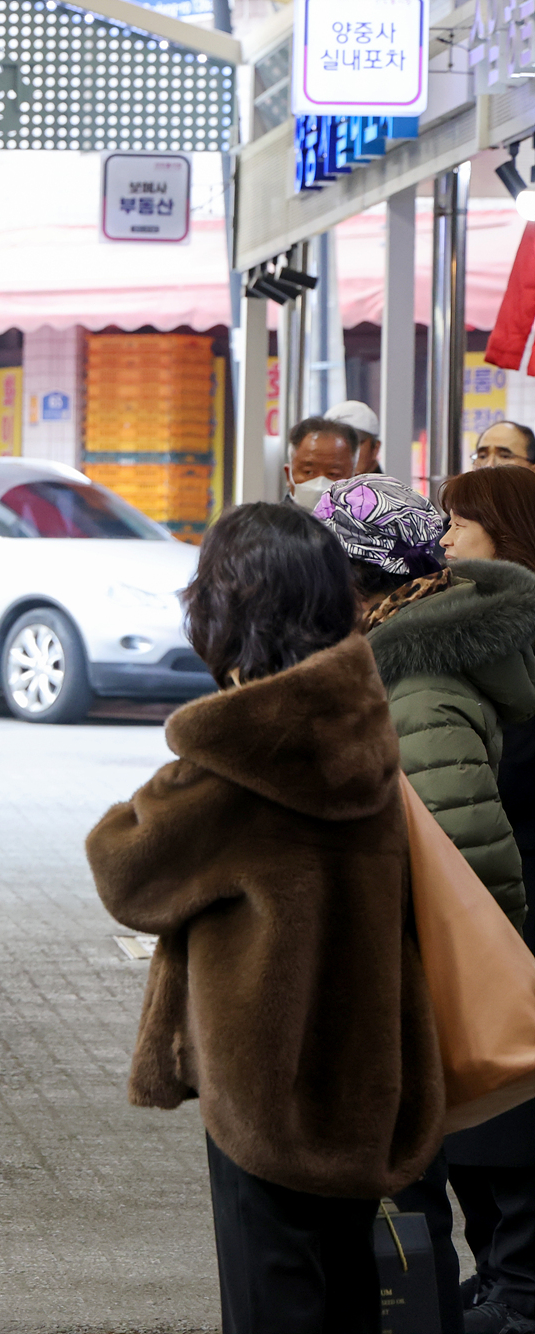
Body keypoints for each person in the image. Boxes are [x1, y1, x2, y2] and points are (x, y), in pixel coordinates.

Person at [88, 501, 443, 1334]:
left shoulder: (239, 753)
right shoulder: (364, 715)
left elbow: (124, 868)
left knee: (272, 1297)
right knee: (348, 1287)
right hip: (366, 1069)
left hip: (261, 1076)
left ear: (230, 605)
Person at [315, 472, 535, 1334]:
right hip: (460, 966)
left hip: (449, 968)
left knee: (460, 1173)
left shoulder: (416, 683)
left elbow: (466, 856)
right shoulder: (405, 656)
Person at [430, 465, 535, 1334]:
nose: (446, 537)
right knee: (484, 1108)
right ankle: (500, 1273)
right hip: (492, 899)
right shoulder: (468, 631)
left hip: (514, 900)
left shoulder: (510, 639)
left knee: (513, 1105)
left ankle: (521, 1289)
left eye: (460, 522)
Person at [283, 416, 361, 508]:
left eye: (333, 474)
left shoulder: (367, 521)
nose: (320, 486)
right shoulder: (269, 521)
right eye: (309, 472)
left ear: (354, 481)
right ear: (288, 475)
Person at [328, 399, 383, 474]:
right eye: (334, 444)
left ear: (375, 449)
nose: (342, 452)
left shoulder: (388, 485)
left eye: (353, 443)